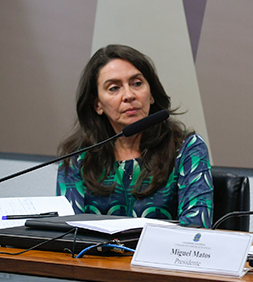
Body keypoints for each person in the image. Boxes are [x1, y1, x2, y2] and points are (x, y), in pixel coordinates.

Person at [57, 45, 213, 227]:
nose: (129, 95)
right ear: (97, 104)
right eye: (114, 88)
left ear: (152, 94)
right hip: (96, 256)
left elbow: (196, 230)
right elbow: (67, 232)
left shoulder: (186, 149)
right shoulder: (78, 156)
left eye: (137, 84)